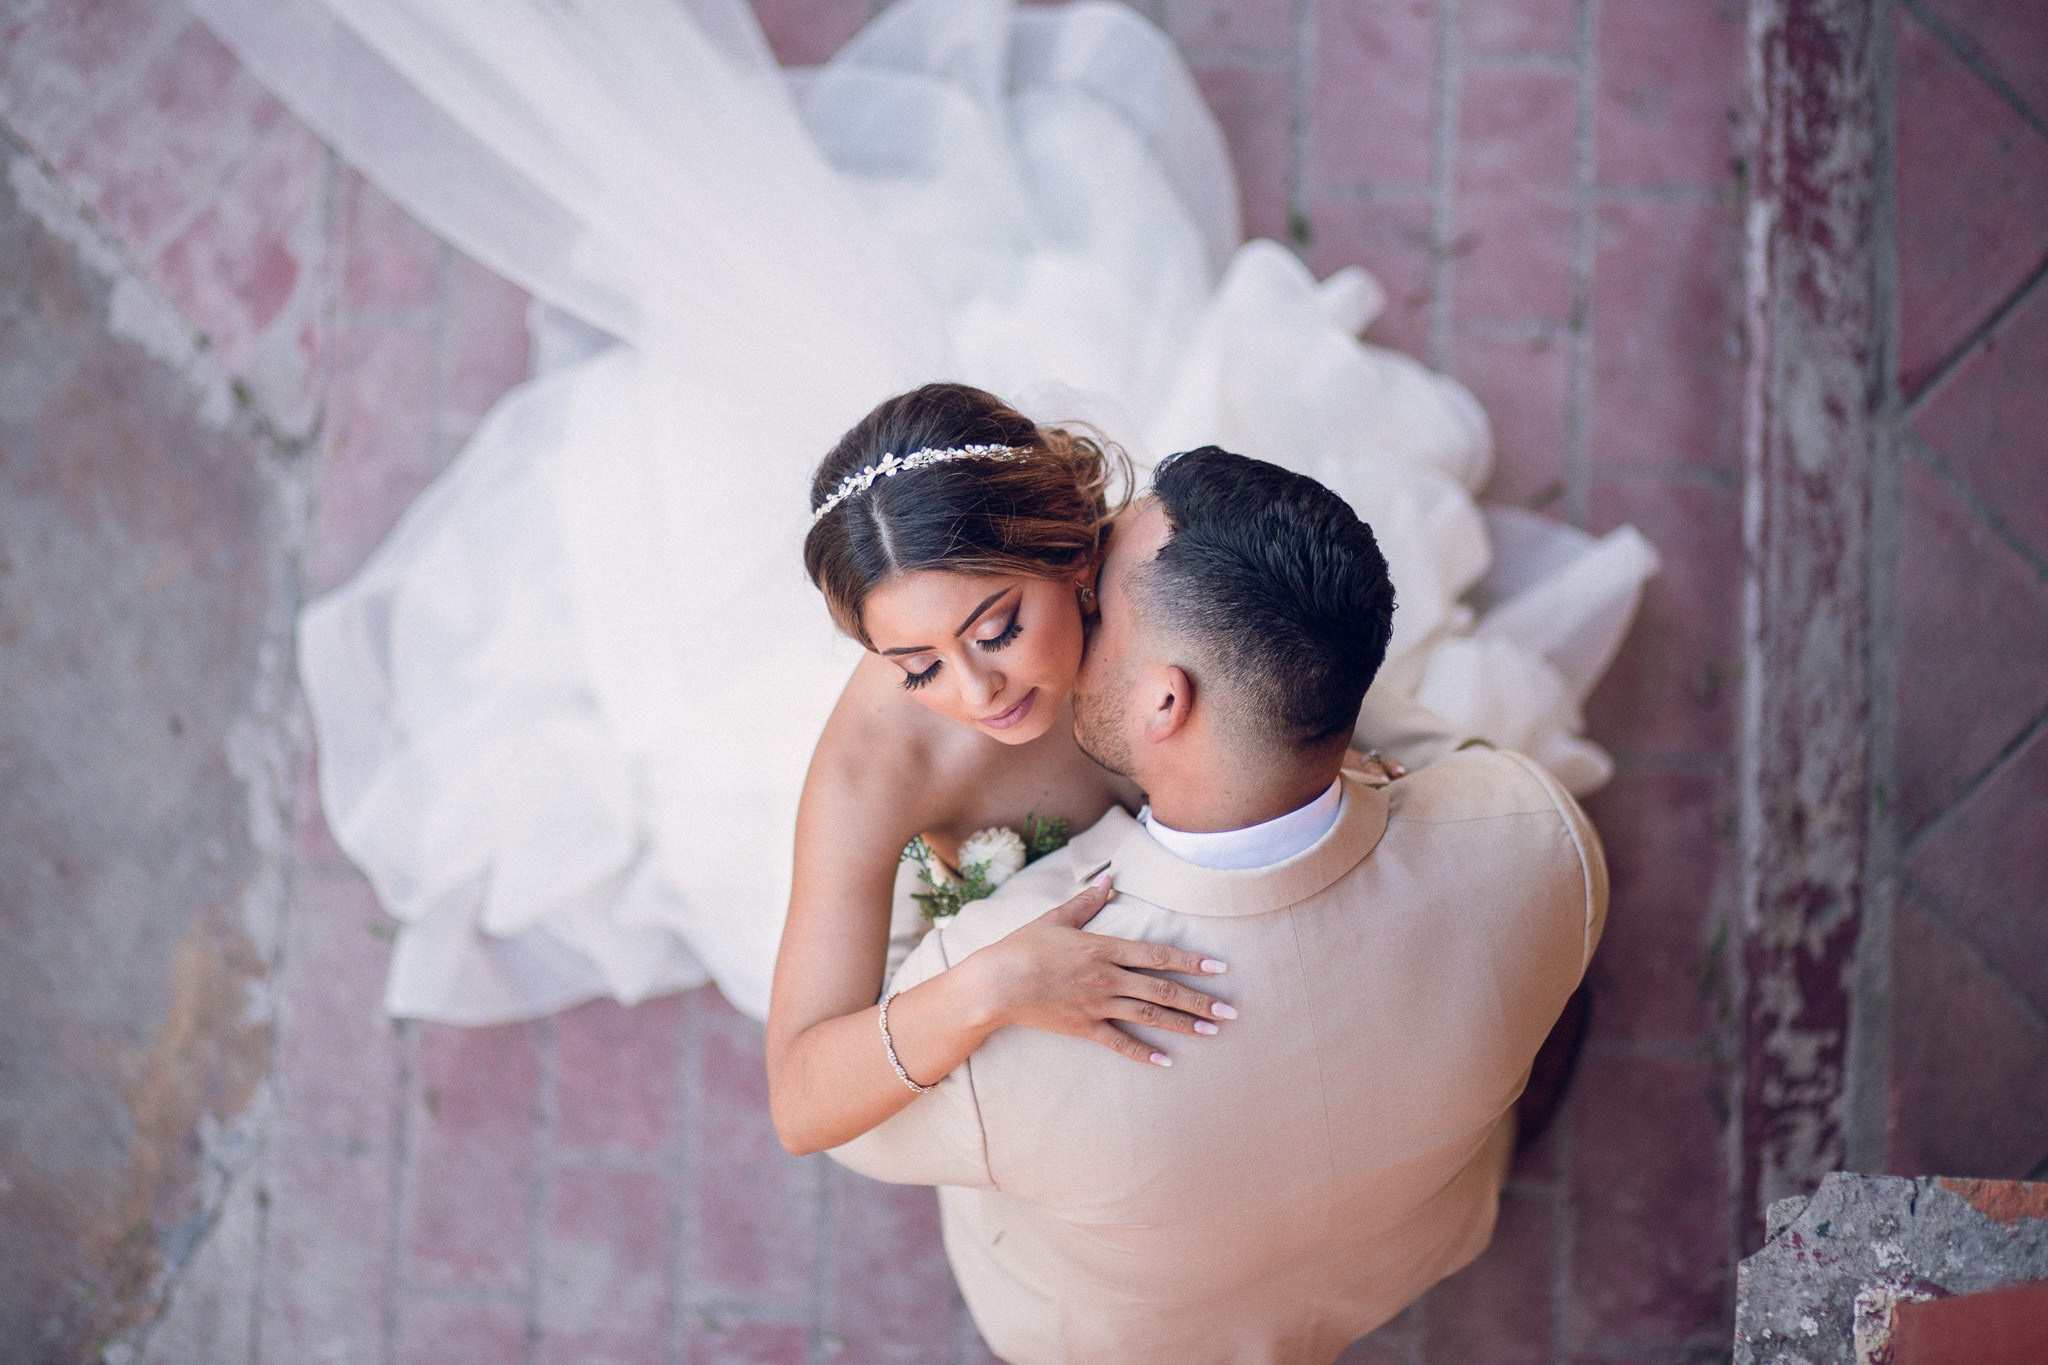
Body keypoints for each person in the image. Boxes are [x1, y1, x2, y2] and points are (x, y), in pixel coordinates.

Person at [194, 0, 1655, 1025]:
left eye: (999, 624)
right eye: (914, 663)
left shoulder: (1164, 583)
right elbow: (804, 1085)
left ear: (1074, 550)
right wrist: (984, 985)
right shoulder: (873, 769)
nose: (981, 692)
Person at [830, 447, 1609, 1364]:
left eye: (1097, 602)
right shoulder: (1540, 835)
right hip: (1415, 1245)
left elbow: (853, 1121)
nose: (1078, 595)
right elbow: (1457, 760)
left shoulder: (1008, 983)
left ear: (1167, 697)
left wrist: (886, 809)